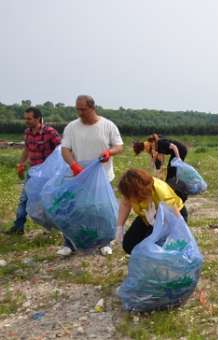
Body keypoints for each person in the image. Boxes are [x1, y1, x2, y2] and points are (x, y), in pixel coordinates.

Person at [59, 95, 124, 256]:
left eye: (83, 109)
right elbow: (65, 149)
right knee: (74, 210)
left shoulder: (108, 125)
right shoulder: (71, 127)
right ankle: (69, 244)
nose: (80, 113)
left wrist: (110, 152)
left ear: (92, 108)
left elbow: (119, 146)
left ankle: (105, 242)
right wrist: (73, 165)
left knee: (102, 210)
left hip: (103, 177)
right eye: (77, 109)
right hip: (79, 177)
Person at [5, 107, 61, 235]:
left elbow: (61, 149)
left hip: (48, 174)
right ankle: (18, 227)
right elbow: (26, 149)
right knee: (24, 199)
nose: (26, 121)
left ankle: (60, 226)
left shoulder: (50, 132)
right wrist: (21, 163)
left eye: (29, 119)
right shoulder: (27, 132)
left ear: (38, 118)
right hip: (33, 172)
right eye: (25, 118)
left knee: (50, 201)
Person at [115, 168, 188, 254]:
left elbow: (175, 221)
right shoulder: (131, 192)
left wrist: (155, 223)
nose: (130, 200)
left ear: (139, 192)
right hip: (147, 217)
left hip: (171, 218)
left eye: (131, 197)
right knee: (129, 245)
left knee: (150, 248)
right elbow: (125, 204)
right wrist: (120, 226)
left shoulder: (162, 193)